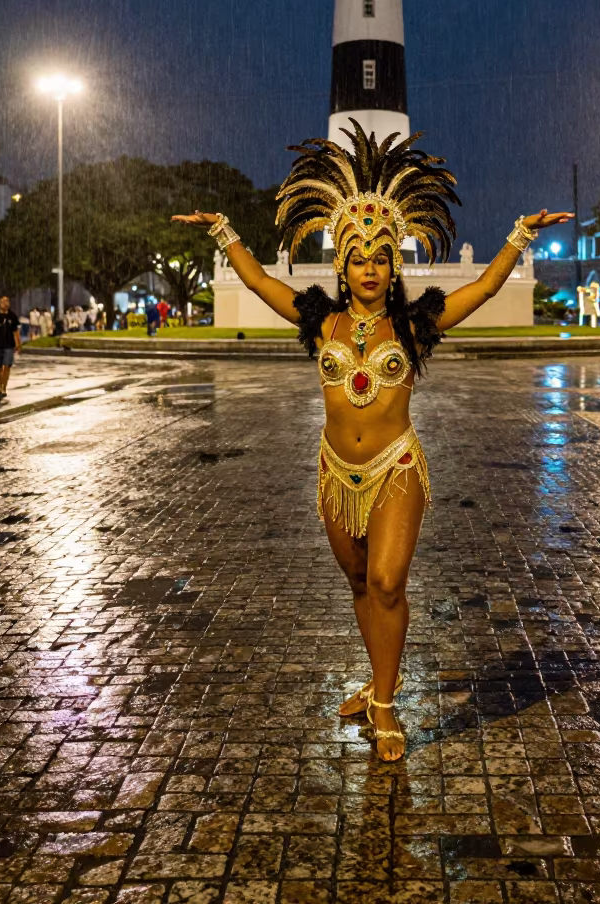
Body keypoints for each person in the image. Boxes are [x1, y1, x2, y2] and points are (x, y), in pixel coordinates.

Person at [173, 119, 571, 762]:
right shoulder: (321, 319)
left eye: (380, 258)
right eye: (357, 258)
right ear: (342, 263)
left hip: (396, 468)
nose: (369, 269)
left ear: (393, 264)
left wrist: (520, 235)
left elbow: (485, 287)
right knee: (360, 583)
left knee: (387, 581)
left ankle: (385, 705)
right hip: (335, 470)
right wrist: (224, 230)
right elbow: (258, 283)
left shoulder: (416, 324)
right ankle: (378, 676)